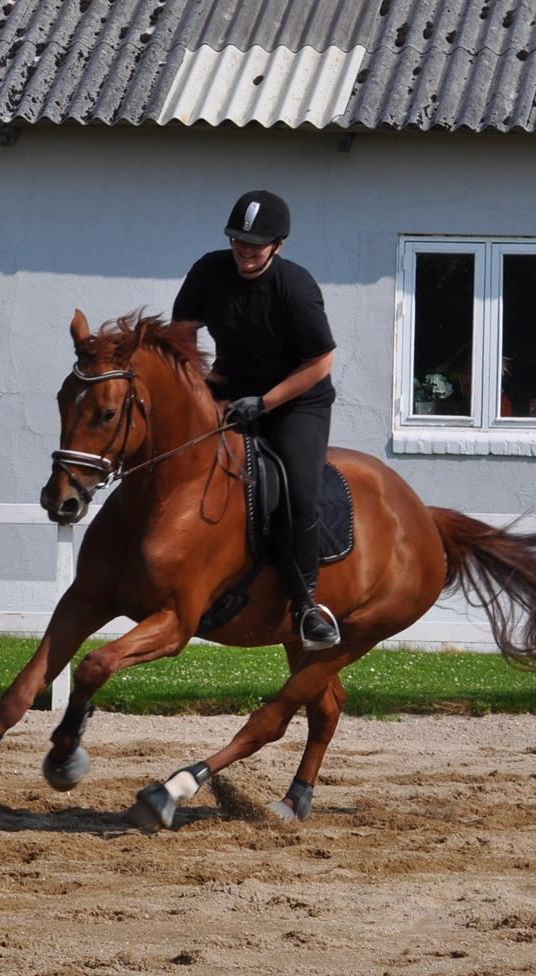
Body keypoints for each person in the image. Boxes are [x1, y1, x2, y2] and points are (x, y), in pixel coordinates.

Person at [172, 189, 340, 650]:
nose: (244, 250)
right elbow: (181, 333)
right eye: (238, 241)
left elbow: (320, 362)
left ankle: (306, 605)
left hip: (295, 400)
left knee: (298, 494)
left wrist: (264, 403)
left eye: (255, 244)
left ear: (278, 245)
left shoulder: (295, 287)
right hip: (230, 387)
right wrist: (194, 386)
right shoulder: (209, 271)